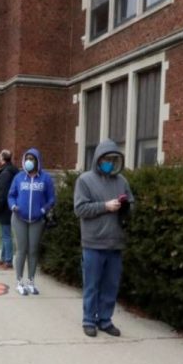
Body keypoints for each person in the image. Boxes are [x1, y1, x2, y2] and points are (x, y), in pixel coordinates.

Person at [73, 139, 133, 338]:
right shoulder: (85, 180)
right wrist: (104, 206)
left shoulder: (121, 181)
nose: (109, 162)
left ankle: (105, 319)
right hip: (93, 243)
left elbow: (131, 204)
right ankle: (89, 319)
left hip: (115, 243)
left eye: (113, 159)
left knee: (110, 285)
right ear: (98, 159)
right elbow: (80, 208)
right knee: (92, 284)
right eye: (106, 159)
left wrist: (126, 207)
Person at [8, 148, 56, 296]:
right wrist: (13, 205)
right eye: (27, 158)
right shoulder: (19, 177)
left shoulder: (45, 178)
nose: (29, 161)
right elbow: (11, 195)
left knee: (33, 250)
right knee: (21, 249)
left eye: (32, 159)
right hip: (19, 218)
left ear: (38, 161)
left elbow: (51, 198)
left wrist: (43, 210)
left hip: (37, 220)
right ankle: (19, 281)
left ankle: (31, 281)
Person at [0, 150, 19, 270]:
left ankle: (8, 261)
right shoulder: (8, 170)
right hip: (6, 207)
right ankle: (3, 258)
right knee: (4, 235)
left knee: (6, 235)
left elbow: (3, 193)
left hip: (5, 208)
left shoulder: (6, 173)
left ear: (2, 158)